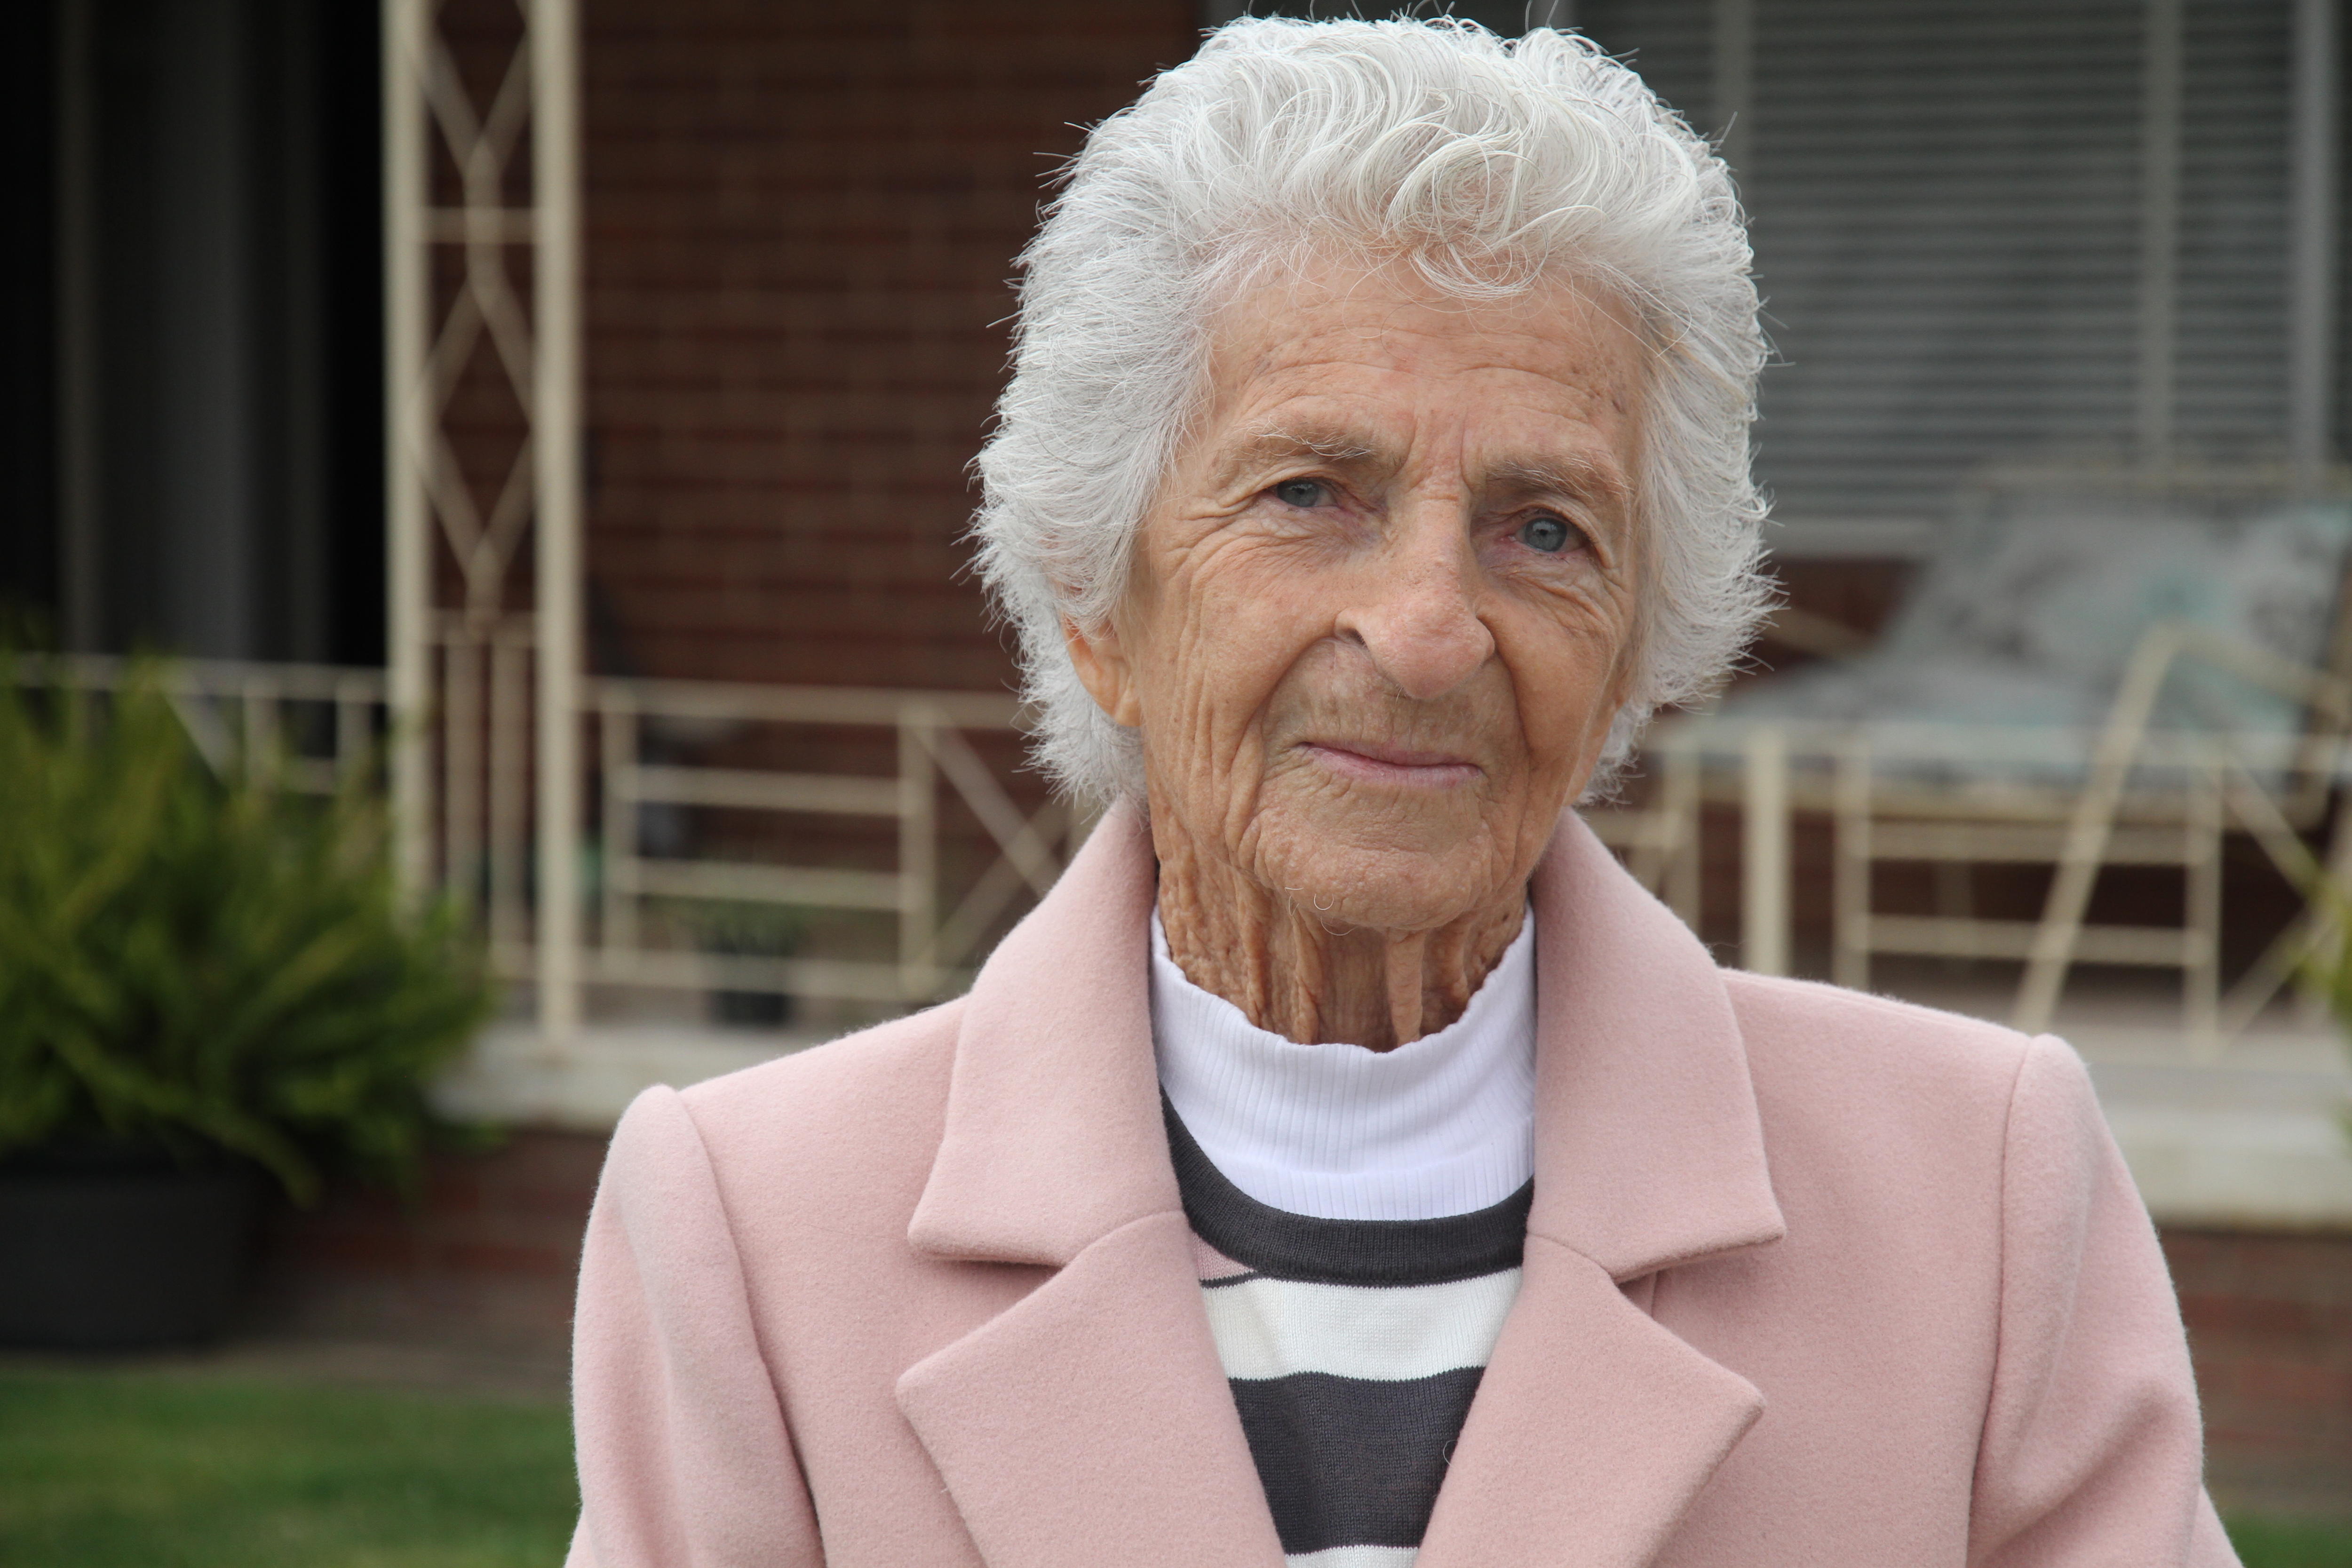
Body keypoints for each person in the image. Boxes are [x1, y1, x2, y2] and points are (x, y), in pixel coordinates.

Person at [566, 18, 2235, 1566]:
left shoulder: (1981, 1198)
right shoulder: (756, 1230)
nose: (1430, 632)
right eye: (1310, 493)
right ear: (1096, 602)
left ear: (1640, 648)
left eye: (1545, 530)